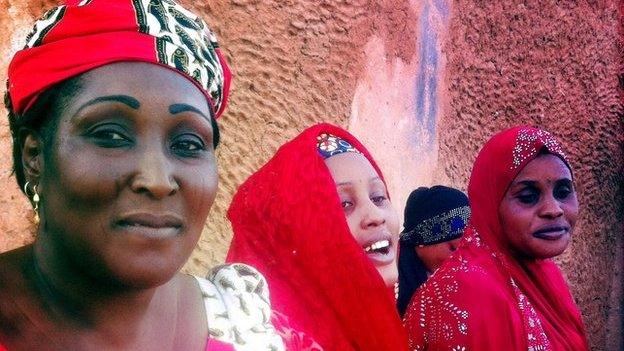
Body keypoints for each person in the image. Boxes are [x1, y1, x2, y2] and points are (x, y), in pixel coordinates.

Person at [0, 1, 286, 350]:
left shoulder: (241, 325)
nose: (157, 179)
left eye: (187, 143)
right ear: (35, 157)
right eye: (110, 135)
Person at [226, 123, 409, 351]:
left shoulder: (377, 328)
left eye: (379, 197)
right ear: (296, 234)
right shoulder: (265, 342)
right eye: (343, 204)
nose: (375, 215)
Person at [404, 126, 589, 350]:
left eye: (563, 192)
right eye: (528, 197)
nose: (554, 209)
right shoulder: (466, 292)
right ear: (490, 206)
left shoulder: (547, 276)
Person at [396, 186, 470, 317]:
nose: (462, 259)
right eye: (453, 248)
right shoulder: (390, 277)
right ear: (422, 242)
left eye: (467, 248)